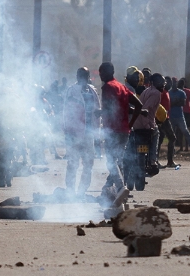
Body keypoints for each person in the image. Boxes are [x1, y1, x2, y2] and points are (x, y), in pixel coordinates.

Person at [98, 62, 142, 199]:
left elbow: (110, 108)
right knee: (118, 160)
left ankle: (121, 187)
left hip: (112, 129)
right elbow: (138, 106)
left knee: (111, 161)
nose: (100, 75)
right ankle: (120, 190)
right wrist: (130, 124)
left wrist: (99, 112)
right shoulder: (122, 87)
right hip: (124, 130)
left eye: (102, 72)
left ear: (109, 72)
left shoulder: (107, 87)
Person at [62, 67, 99, 197]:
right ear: (77, 76)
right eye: (80, 75)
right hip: (74, 133)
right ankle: (70, 190)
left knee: (88, 163)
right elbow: (66, 112)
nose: (82, 77)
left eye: (85, 75)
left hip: (89, 134)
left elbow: (97, 111)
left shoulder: (93, 91)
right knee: (73, 163)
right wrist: (67, 132)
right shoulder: (71, 91)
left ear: (89, 76)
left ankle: (82, 191)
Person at [130, 72, 161, 190]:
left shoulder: (146, 91)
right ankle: (153, 160)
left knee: (135, 149)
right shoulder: (156, 93)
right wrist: (148, 125)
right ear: (154, 82)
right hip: (145, 124)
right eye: (160, 82)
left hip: (137, 124)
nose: (162, 84)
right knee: (157, 133)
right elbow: (145, 109)